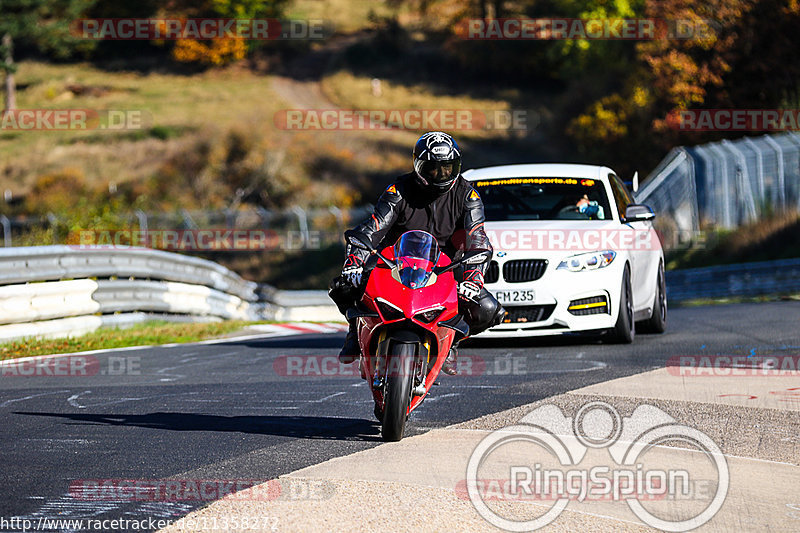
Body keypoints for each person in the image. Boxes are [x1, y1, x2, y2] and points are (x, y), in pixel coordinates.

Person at [328, 131, 506, 375]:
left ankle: (452, 340)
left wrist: (472, 281)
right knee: (343, 285)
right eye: (433, 169)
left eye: (447, 168)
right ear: (419, 166)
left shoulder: (468, 196)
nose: (441, 175)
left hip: (446, 268)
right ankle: (355, 329)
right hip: (394, 262)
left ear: (457, 166)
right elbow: (373, 227)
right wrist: (354, 262)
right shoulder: (398, 190)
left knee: (488, 309)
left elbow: (477, 240)